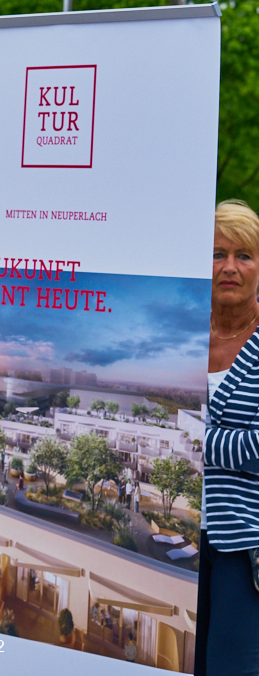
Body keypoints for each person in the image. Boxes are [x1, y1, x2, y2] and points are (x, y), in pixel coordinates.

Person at [196, 199, 259, 676]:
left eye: (244, 255)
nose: (230, 267)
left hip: (243, 549)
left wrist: (197, 441)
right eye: (218, 254)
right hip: (183, 537)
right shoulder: (185, 338)